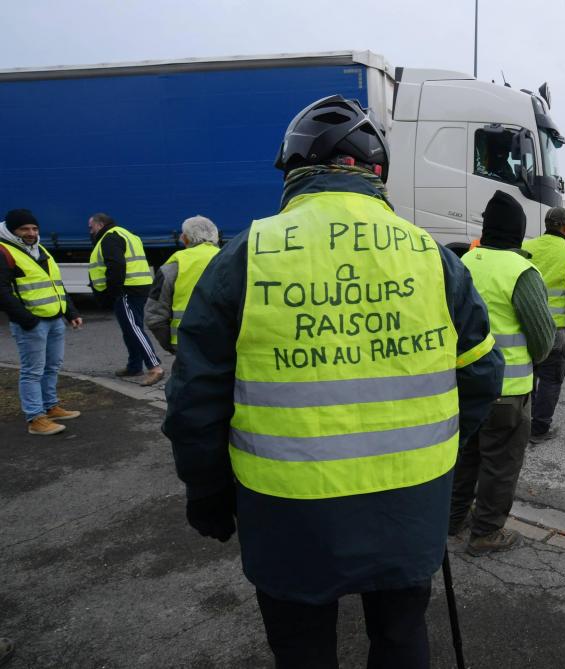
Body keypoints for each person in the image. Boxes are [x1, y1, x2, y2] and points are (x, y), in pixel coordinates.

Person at [163, 95, 503, 668]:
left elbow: (196, 400)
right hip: (410, 500)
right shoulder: (433, 256)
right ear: (376, 173)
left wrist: (208, 493)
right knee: (400, 637)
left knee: (302, 649)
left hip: (287, 511)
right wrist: (442, 446)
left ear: (294, 173)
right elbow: (482, 372)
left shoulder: (247, 254)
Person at [450, 190, 555, 555]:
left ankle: (452, 520)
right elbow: (543, 340)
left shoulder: (464, 261)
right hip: (507, 392)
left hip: (462, 385)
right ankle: (486, 533)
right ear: (518, 232)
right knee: (500, 465)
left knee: (464, 457)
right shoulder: (520, 271)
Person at [1, 209, 83, 435]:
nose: (31, 232)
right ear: (12, 230)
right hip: (32, 322)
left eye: (34, 228)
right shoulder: (4, 250)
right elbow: (2, 292)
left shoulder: (39, 248)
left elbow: (56, 284)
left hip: (54, 318)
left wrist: (71, 312)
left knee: (52, 366)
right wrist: (27, 320)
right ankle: (35, 418)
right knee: (32, 371)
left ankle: (51, 406)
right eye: (24, 229)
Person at [522, 206, 565, 443]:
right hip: (554, 329)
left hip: (524, 327)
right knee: (551, 378)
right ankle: (539, 429)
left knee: (525, 375)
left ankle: (521, 421)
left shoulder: (526, 248)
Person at [88, 212, 164, 386]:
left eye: (91, 228)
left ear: (100, 225)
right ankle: (134, 366)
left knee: (133, 328)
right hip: (137, 285)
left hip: (127, 289)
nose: (90, 231)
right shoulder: (126, 234)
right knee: (129, 328)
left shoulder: (109, 237)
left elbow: (116, 265)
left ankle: (155, 367)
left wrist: (113, 291)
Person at [144, 215, 220, 353]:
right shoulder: (230, 260)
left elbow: (153, 315)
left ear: (185, 238)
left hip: (185, 344)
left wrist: (171, 346)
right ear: (215, 236)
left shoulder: (173, 266)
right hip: (223, 341)